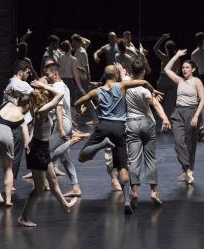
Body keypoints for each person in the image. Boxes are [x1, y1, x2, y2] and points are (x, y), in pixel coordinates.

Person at [76, 65, 161, 214]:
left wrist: (80, 109)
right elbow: (143, 82)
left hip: (103, 126)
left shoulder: (96, 91)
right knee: (123, 167)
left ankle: (102, 144)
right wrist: (152, 90)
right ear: (116, 76)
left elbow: (78, 102)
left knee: (81, 157)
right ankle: (127, 201)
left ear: (105, 75)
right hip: (119, 128)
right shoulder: (122, 85)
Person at [18, 80, 77, 227]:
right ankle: (23, 217)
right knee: (38, 189)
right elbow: (60, 95)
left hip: (42, 148)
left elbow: (34, 128)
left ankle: (66, 206)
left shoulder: (38, 111)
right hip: (38, 151)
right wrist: (44, 86)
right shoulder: (41, 110)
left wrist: (29, 140)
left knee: (53, 181)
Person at [123, 60, 171, 207]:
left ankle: (134, 191)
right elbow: (155, 104)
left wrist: (121, 70)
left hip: (131, 123)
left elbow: (123, 75)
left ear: (131, 71)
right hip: (146, 123)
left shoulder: (125, 84)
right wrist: (165, 118)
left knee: (133, 160)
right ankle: (154, 192)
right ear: (143, 72)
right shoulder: (144, 90)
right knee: (150, 159)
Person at [45, 63, 88, 198]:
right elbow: (67, 107)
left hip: (61, 123)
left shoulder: (57, 86)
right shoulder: (64, 86)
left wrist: (61, 128)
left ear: (55, 74)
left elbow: (59, 107)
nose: (46, 77)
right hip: (66, 122)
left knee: (46, 155)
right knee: (65, 159)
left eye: (47, 74)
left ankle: (73, 141)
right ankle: (75, 187)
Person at [164, 49, 204, 184]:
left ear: (193, 69)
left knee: (190, 143)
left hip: (191, 112)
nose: (184, 69)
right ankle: (187, 169)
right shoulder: (179, 80)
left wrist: (196, 116)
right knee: (179, 141)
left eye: (187, 67)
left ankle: (187, 170)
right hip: (178, 112)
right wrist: (176, 55)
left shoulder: (196, 81)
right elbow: (166, 69)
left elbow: (203, 99)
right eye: (183, 67)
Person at [0, 94, 30, 207]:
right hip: (7, 134)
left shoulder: (6, 103)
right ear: (27, 105)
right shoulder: (21, 118)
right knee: (8, 168)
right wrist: (27, 145)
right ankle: (8, 200)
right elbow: (25, 133)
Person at [3, 60, 34, 183]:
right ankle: (12, 180)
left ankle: (12, 180)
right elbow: (37, 95)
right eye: (27, 72)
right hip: (22, 122)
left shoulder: (9, 85)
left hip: (13, 121)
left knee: (16, 152)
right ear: (20, 72)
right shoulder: (21, 84)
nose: (28, 75)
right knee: (23, 151)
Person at [71, 33, 98, 125]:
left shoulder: (82, 51)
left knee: (85, 98)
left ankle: (94, 118)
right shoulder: (79, 50)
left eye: (73, 41)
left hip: (83, 79)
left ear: (76, 41)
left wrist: (75, 66)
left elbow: (86, 67)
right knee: (82, 98)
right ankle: (79, 115)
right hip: (80, 78)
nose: (72, 43)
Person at [153, 33, 180, 118]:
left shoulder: (164, 57)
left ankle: (162, 119)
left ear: (166, 48)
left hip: (163, 80)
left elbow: (155, 49)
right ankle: (168, 121)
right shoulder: (177, 59)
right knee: (170, 104)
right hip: (172, 80)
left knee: (159, 101)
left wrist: (162, 37)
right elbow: (178, 72)